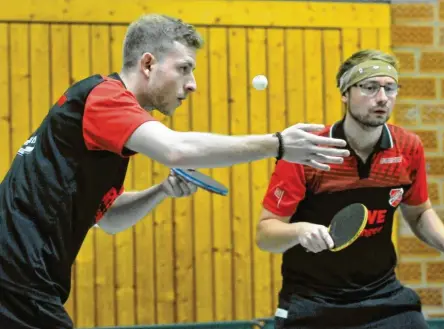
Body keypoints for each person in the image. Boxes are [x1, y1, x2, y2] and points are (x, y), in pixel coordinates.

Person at [0, 14, 351, 329]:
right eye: (184, 68)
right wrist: (277, 143)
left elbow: (108, 219)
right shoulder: (106, 99)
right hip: (14, 273)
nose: (193, 83)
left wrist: (160, 191)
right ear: (148, 64)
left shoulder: (106, 123)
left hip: (25, 275)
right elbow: (176, 150)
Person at [256, 49, 444, 329]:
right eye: (370, 87)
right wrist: (299, 231)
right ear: (345, 93)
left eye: (390, 87)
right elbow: (265, 234)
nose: (382, 98)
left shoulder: (407, 147)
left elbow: (419, 212)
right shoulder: (309, 151)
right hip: (313, 301)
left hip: (384, 297)